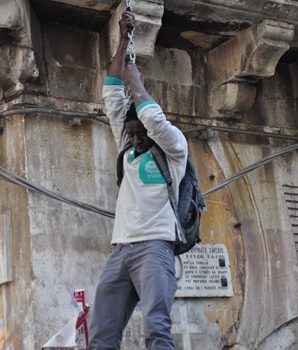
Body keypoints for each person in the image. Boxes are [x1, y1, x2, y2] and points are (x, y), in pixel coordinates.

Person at [89, 11, 188, 350]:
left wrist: (138, 83)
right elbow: (111, 93)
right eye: (129, 134)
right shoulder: (127, 149)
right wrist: (122, 39)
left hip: (156, 247)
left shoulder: (173, 148)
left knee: (157, 329)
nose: (134, 139)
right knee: (101, 333)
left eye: (138, 134)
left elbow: (152, 118)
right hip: (122, 249)